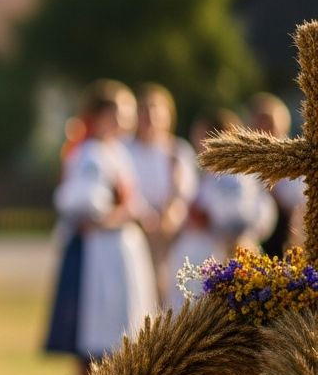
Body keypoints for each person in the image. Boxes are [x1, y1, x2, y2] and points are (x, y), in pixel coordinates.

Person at [44, 80, 157, 375]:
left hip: (116, 254)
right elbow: (86, 212)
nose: (130, 120)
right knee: (94, 342)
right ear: (104, 116)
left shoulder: (115, 151)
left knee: (118, 338)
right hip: (99, 257)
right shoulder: (91, 155)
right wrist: (128, 214)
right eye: (124, 113)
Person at [167, 109, 278, 306]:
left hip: (220, 261)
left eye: (201, 136)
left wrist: (208, 219)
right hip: (199, 260)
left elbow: (242, 218)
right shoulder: (209, 174)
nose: (197, 143)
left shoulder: (233, 175)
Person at [124, 84, 197, 306]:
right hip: (134, 227)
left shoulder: (178, 151)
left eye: (156, 110)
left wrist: (168, 218)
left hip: (169, 236)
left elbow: (185, 194)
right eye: (144, 110)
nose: (150, 117)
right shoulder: (125, 149)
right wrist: (144, 215)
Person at [247, 92, 304, 257]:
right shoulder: (239, 166)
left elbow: (298, 205)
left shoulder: (296, 164)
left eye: (270, 125)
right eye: (259, 125)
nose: (265, 131)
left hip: (285, 242)